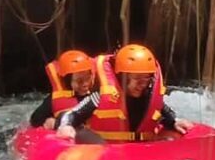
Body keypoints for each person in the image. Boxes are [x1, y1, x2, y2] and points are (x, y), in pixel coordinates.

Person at [56, 43, 193, 143]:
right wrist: (65, 126)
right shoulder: (100, 97)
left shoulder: (149, 96)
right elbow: (72, 114)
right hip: (109, 153)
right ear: (123, 78)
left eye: (146, 79)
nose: (142, 85)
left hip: (140, 153)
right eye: (138, 79)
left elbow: (165, 111)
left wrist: (175, 121)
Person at [29, 50, 95, 129]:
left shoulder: (97, 94)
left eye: (88, 78)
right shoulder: (54, 99)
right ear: (67, 82)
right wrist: (53, 122)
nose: (85, 84)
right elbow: (35, 120)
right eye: (79, 81)